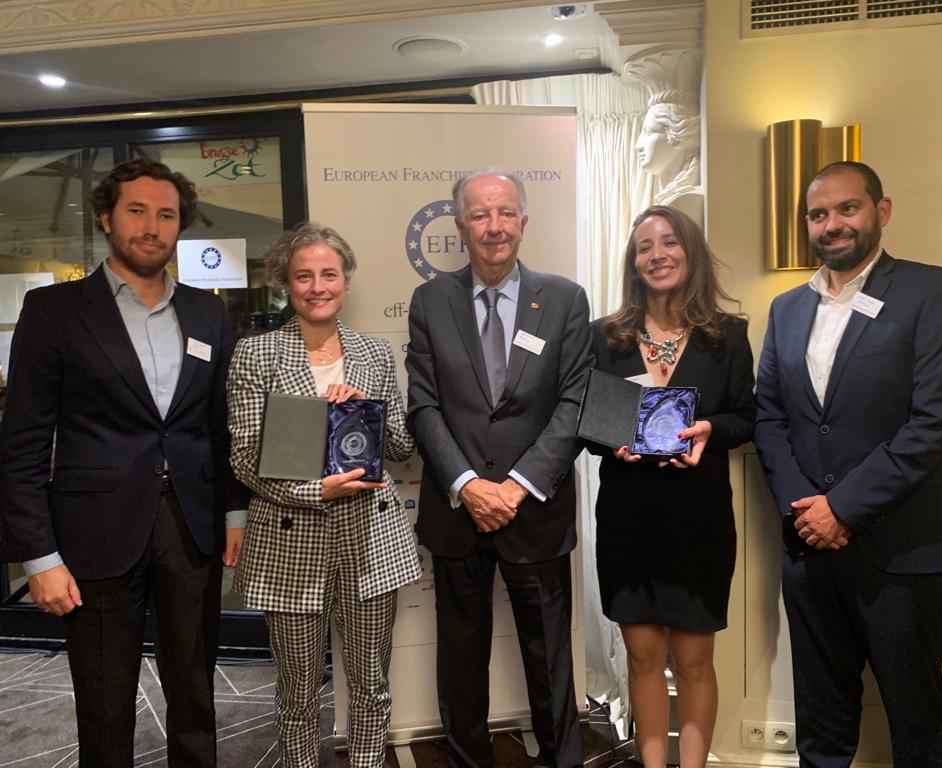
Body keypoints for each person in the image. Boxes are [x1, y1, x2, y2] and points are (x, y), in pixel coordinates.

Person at [0, 158, 246, 767]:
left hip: (191, 527)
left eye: (166, 215)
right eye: (137, 210)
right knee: (105, 701)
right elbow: (22, 444)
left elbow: (218, 424)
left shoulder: (207, 312)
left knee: (195, 690)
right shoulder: (55, 311)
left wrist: (233, 512)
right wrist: (39, 556)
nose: (151, 227)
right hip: (95, 531)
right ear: (106, 217)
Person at [754, 161, 942, 768]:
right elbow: (770, 417)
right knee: (821, 726)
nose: (832, 224)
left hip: (905, 549)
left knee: (918, 723)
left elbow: (938, 421)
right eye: (818, 214)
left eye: (847, 208)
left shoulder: (936, 291)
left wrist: (843, 508)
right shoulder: (785, 309)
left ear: (881, 211)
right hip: (811, 549)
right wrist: (808, 512)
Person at [405, 169, 592, 768]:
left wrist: (515, 486)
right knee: (460, 660)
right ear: (461, 227)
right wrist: (467, 485)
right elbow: (423, 405)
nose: (494, 227)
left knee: (550, 661)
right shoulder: (431, 300)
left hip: (534, 511)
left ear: (523, 222)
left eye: (505, 213)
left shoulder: (564, 299)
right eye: (480, 215)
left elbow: (574, 403)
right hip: (458, 513)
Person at [227, 222, 420, 768]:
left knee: (371, 683)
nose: (318, 287)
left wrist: (367, 408)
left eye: (329, 274)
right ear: (285, 283)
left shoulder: (374, 353)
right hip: (291, 545)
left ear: (346, 280)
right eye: (304, 276)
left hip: (371, 542)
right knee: (297, 693)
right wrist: (318, 490)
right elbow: (245, 459)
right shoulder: (257, 354)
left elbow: (401, 446)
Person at [589, 206, 754, 768]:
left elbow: (748, 417)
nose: (657, 255)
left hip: (698, 520)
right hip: (628, 519)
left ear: (690, 252)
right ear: (633, 262)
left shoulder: (727, 336)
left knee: (694, 661)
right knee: (641, 657)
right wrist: (613, 441)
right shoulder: (605, 338)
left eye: (669, 242)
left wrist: (711, 429)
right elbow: (587, 426)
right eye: (645, 247)